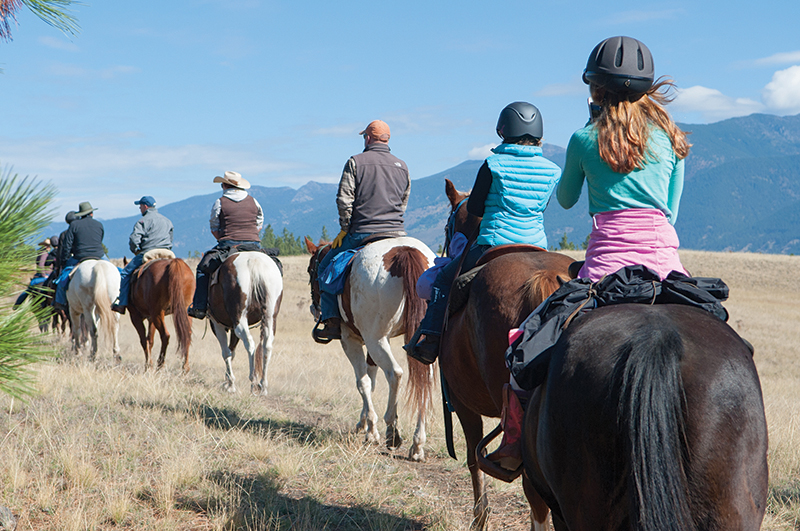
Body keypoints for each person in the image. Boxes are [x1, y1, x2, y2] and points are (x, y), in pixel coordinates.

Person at [487, 36, 692, 475]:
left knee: (526, 347)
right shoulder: (671, 140)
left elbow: (563, 199)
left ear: (595, 90)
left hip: (605, 267)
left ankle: (515, 443)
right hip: (666, 264)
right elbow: (669, 211)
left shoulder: (583, 139)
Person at [405, 102, 562, 363]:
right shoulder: (552, 170)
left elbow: (475, 208)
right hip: (536, 245)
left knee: (444, 280)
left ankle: (429, 339)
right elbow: (541, 205)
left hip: (493, 243)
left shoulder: (493, 164)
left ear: (503, 131)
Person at [312, 119, 410, 343]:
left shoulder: (355, 162)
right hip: (397, 233)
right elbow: (403, 202)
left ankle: (331, 321)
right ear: (387, 139)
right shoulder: (402, 166)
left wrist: (346, 228)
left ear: (367, 138)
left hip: (363, 232)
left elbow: (344, 199)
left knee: (326, 268)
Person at [187, 171, 264, 319]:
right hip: (253, 244)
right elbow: (259, 223)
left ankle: (199, 307)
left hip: (228, 245)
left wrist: (222, 238)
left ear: (224, 185)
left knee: (203, 269)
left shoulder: (220, 202)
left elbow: (214, 227)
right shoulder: (254, 201)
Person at [112, 196, 174, 314]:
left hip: (148, 252)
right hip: (167, 253)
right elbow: (170, 239)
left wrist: (136, 250)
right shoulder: (167, 221)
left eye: (140, 206)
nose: (140, 209)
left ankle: (122, 303)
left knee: (125, 274)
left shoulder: (143, 221)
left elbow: (134, 239)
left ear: (145, 206)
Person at [54, 202, 105, 311]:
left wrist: (64, 260)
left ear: (81, 214)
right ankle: (120, 299)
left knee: (62, 279)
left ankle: (60, 301)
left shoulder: (74, 225)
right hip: (99, 255)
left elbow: (67, 246)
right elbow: (100, 240)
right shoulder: (99, 224)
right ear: (91, 213)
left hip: (80, 257)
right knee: (119, 273)